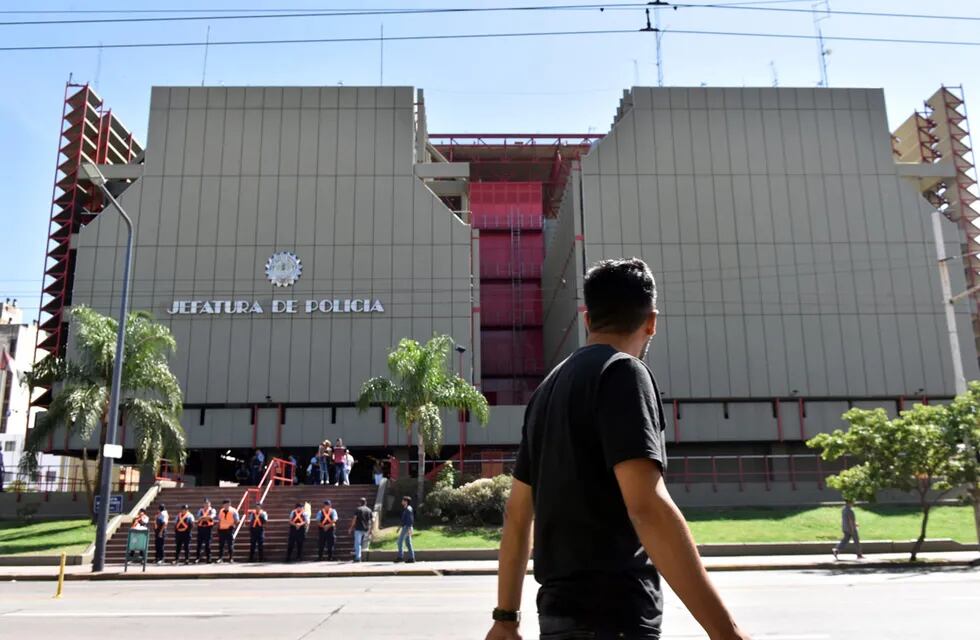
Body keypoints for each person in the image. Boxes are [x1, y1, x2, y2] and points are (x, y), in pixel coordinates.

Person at [485, 259, 749, 640]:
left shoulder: (546, 391)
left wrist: (505, 618)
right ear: (651, 321)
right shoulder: (624, 371)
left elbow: (516, 513)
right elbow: (647, 507)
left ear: (587, 318)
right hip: (615, 618)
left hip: (558, 619)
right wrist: (726, 631)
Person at [348, 497, 373, 563]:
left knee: (357, 543)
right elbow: (371, 521)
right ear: (366, 502)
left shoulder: (358, 509)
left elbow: (354, 519)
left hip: (358, 528)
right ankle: (358, 556)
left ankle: (358, 557)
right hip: (366, 529)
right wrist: (371, 530)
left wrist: (351, 527)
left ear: (360, 503)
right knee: (361, 543)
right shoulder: (369, 510)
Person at [216, 498, 240, 563]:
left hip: (229, 529)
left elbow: (237, 520)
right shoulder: (221, 511)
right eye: (224, 504)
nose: (226, 506)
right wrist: (218, 527)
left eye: (227, 504)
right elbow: (219, 520)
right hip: (221, 529)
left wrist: (233, 525)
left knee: (230, 544)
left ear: (229, 504)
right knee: (221, 545)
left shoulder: (233, 511)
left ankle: (231, 558)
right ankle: (220, 558)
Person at [395, 496, 416, 564]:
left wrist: (410, 528)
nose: (402, 501)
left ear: (406, 501)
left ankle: (400, 557)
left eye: (403, 500)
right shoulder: (406, 508)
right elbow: (404, 520)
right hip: (406, 527)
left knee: (399, 542)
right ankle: (411, 558)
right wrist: (399, 527)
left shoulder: (408, 509)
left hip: (407, 527)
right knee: (408, 543)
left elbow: (410, 519)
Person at [195, 498, 216, 564]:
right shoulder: (200, 510)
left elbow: (212, 517)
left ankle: (208, 558)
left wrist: (203, 517)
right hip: (201, 528)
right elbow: (198, 517)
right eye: (205, 503)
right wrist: (205, 517)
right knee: (199, 544)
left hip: (208, 528)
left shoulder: (212, 510)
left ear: (210, 504)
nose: (206, 505)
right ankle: (197, 558)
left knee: (208, 544)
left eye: (207, 503)